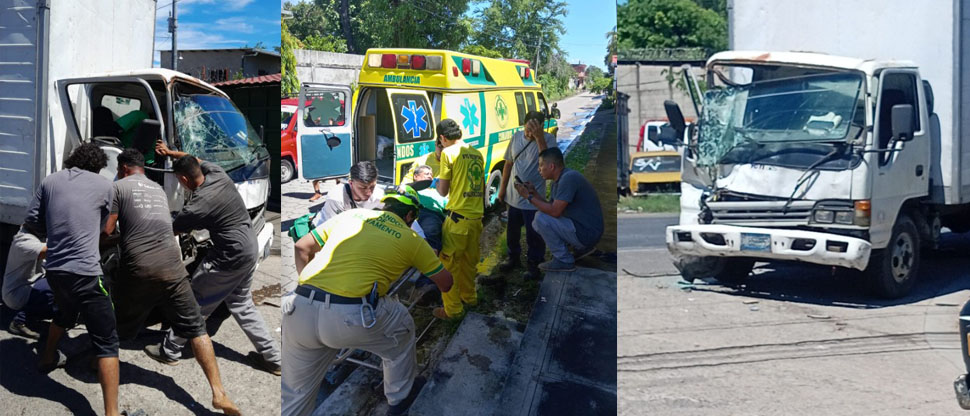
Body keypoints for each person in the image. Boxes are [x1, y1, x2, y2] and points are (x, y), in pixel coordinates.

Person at [283, 193, 453, 416]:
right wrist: (423, 256)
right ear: (410, 216)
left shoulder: (352, 215)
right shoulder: (411, 238)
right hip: (351, 316)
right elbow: (446, 283)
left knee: (296, 395)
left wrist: (310, 289)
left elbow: (301, 246)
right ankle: (400, 397)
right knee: (402, 327)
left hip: (298, 306)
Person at [104, 149, 239, 415]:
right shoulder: (157, 190)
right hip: (174, 267)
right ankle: (219, 394)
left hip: (139, 268)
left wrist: (117, 239)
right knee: (197, 328)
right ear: (142, 168)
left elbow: (107, 231)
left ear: (122, 169)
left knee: (113, 323)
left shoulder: (117, 187)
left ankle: (99, 361)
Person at [147, 141, 282, 376]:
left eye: (180, 181)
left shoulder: (199, 205)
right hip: (248, 248)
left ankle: (169, 351)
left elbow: (172, 230)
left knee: (195, 302)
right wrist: (170, 153)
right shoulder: (217, 173)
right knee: (242, 305)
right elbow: (192, 157)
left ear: (185, 180)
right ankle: (274, 359)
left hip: (228, 257)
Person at [24, 143, 121, 416]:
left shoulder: (50, 180)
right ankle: (112, 413)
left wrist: (56, 229)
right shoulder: (105, 187)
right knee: (108, 340)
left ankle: (46, 358)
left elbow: (32, 220)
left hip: (55, 270)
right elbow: (105, 228)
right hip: (87, 273)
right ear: (99, 165)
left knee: (65, 313)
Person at [514, 147, 603, 272]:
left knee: (539, 218)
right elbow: (550, 207)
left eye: (540, 165)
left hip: (587, 233)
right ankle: (576, 248)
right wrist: (533, 193)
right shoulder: (560, 179)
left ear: (551, 166)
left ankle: (564, 260)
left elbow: (554, 212)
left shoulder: (568, 179)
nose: (538, 169)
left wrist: (528, 197)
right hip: (584, 228)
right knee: (539, 220)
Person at [433, 118, 486, 320]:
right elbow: (479, 186)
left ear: (443, 138)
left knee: (449, 266)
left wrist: (437, 180)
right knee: (468, 263)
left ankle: (452, 311)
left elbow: (443, 191)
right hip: (476, 219)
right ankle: (469, 297)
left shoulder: (448, 153)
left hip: (457, 222)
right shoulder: (476, 153)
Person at [496, 111, 558, 280]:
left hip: (533, 199)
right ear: (523, 125)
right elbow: (508, 164)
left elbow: (548, 163)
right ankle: (513, 258)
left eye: (534, 128)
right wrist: (502, 190)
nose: (530, 132)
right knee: (512, 232)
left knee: (534, 235)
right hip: (514, 196)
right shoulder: (516, 137)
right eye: (528, 128)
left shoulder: (548, 140)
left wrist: (539, 138)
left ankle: (534, 265)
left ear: (541, 127)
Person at [2, 226, 55, 339]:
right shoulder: (24, 242)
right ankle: (19, 322)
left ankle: (32, 315)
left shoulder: (39, 237)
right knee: (56, 287)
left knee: (58, 290)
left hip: (30, 285)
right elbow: (51, 252)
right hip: (16, 294)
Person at [311, 161, 384, 227]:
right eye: (363, 188)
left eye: (372, 187)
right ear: (351, 183)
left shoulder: (379, 196)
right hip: (324, 229)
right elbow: (332, 229)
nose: (369, 193)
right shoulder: (337, 197)